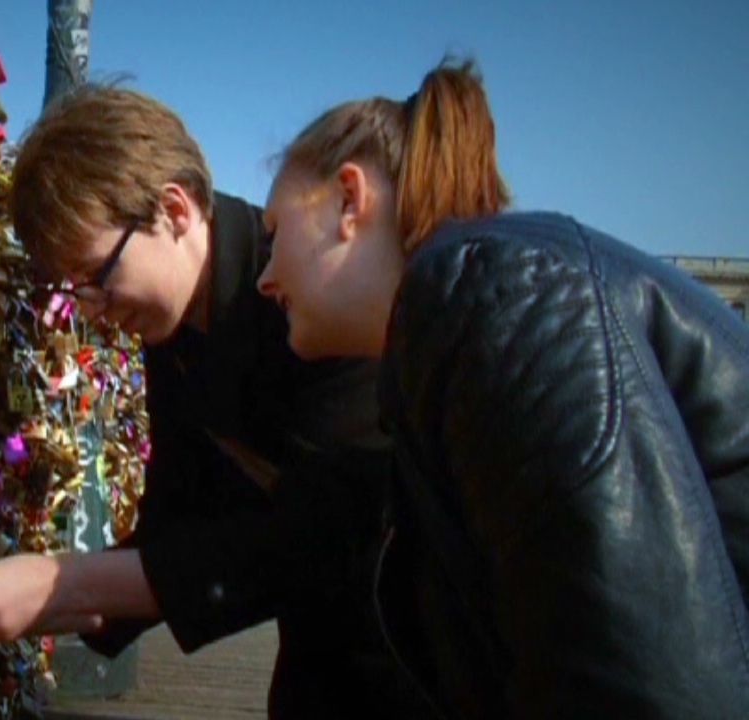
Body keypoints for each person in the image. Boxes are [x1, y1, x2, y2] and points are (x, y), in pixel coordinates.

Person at [0, 86, 416, 717]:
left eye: (98, 277)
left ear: (174, 210)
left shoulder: (313, 288)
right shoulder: (178, 328)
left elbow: (323, 536)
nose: (90, 313)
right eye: (73, 291)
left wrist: (56, 584)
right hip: (319, 677)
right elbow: (174, 523)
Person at [256, 59, 749, 717]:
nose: (263, 277)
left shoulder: (492, 296)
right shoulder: (467, 308)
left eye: (274, 234)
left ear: (349, 200)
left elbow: (642, 690)